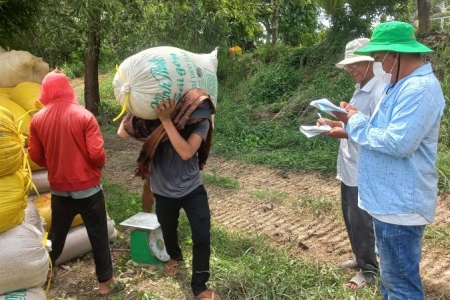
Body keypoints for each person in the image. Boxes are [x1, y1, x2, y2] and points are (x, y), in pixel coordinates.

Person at [333, 21, 445, 299]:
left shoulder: (419, 89)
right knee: (393, 283)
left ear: (396, 55)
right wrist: (354, 122)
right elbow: (386, 130)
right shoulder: (401, 86)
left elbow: (398, 142)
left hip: (400, 204)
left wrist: (355, 121)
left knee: (400, 287)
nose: (378, 64)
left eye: (380, 57)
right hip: (388, 201)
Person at [117, 89, 220, 300]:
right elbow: (122, 132)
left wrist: (166, 121)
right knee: (169, 230)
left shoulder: (201, 121)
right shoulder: (151, 122)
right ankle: (175, 256)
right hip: (163, 192)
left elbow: (186, 151)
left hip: (192, 189)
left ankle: (199, 286)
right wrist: (135, 105)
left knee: (202, 236)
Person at [28, 70, 120, 296]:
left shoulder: (38, 119)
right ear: (68, 88)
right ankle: (105, 283)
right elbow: (97, 154)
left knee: (54, 235)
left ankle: (47, 270)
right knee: (98, 235)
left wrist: (56, 164)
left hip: (59, 190)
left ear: (46, 91)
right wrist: (94, 169)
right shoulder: (84, 116)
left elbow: (35, 156)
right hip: (88, 189)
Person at [317, 38, 385, 290]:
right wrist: (334, 123)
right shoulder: (361, 86)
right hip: (349, 166)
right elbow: (353, 123)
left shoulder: (379, 90)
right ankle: (360, 258)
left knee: (363, 221)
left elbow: (374, 132)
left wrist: (342, 131)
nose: (351, 69)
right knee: (350, 216)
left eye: (355, 63)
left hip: (364, 167)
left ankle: (369, 271)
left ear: (370, 61)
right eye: (348, 65)